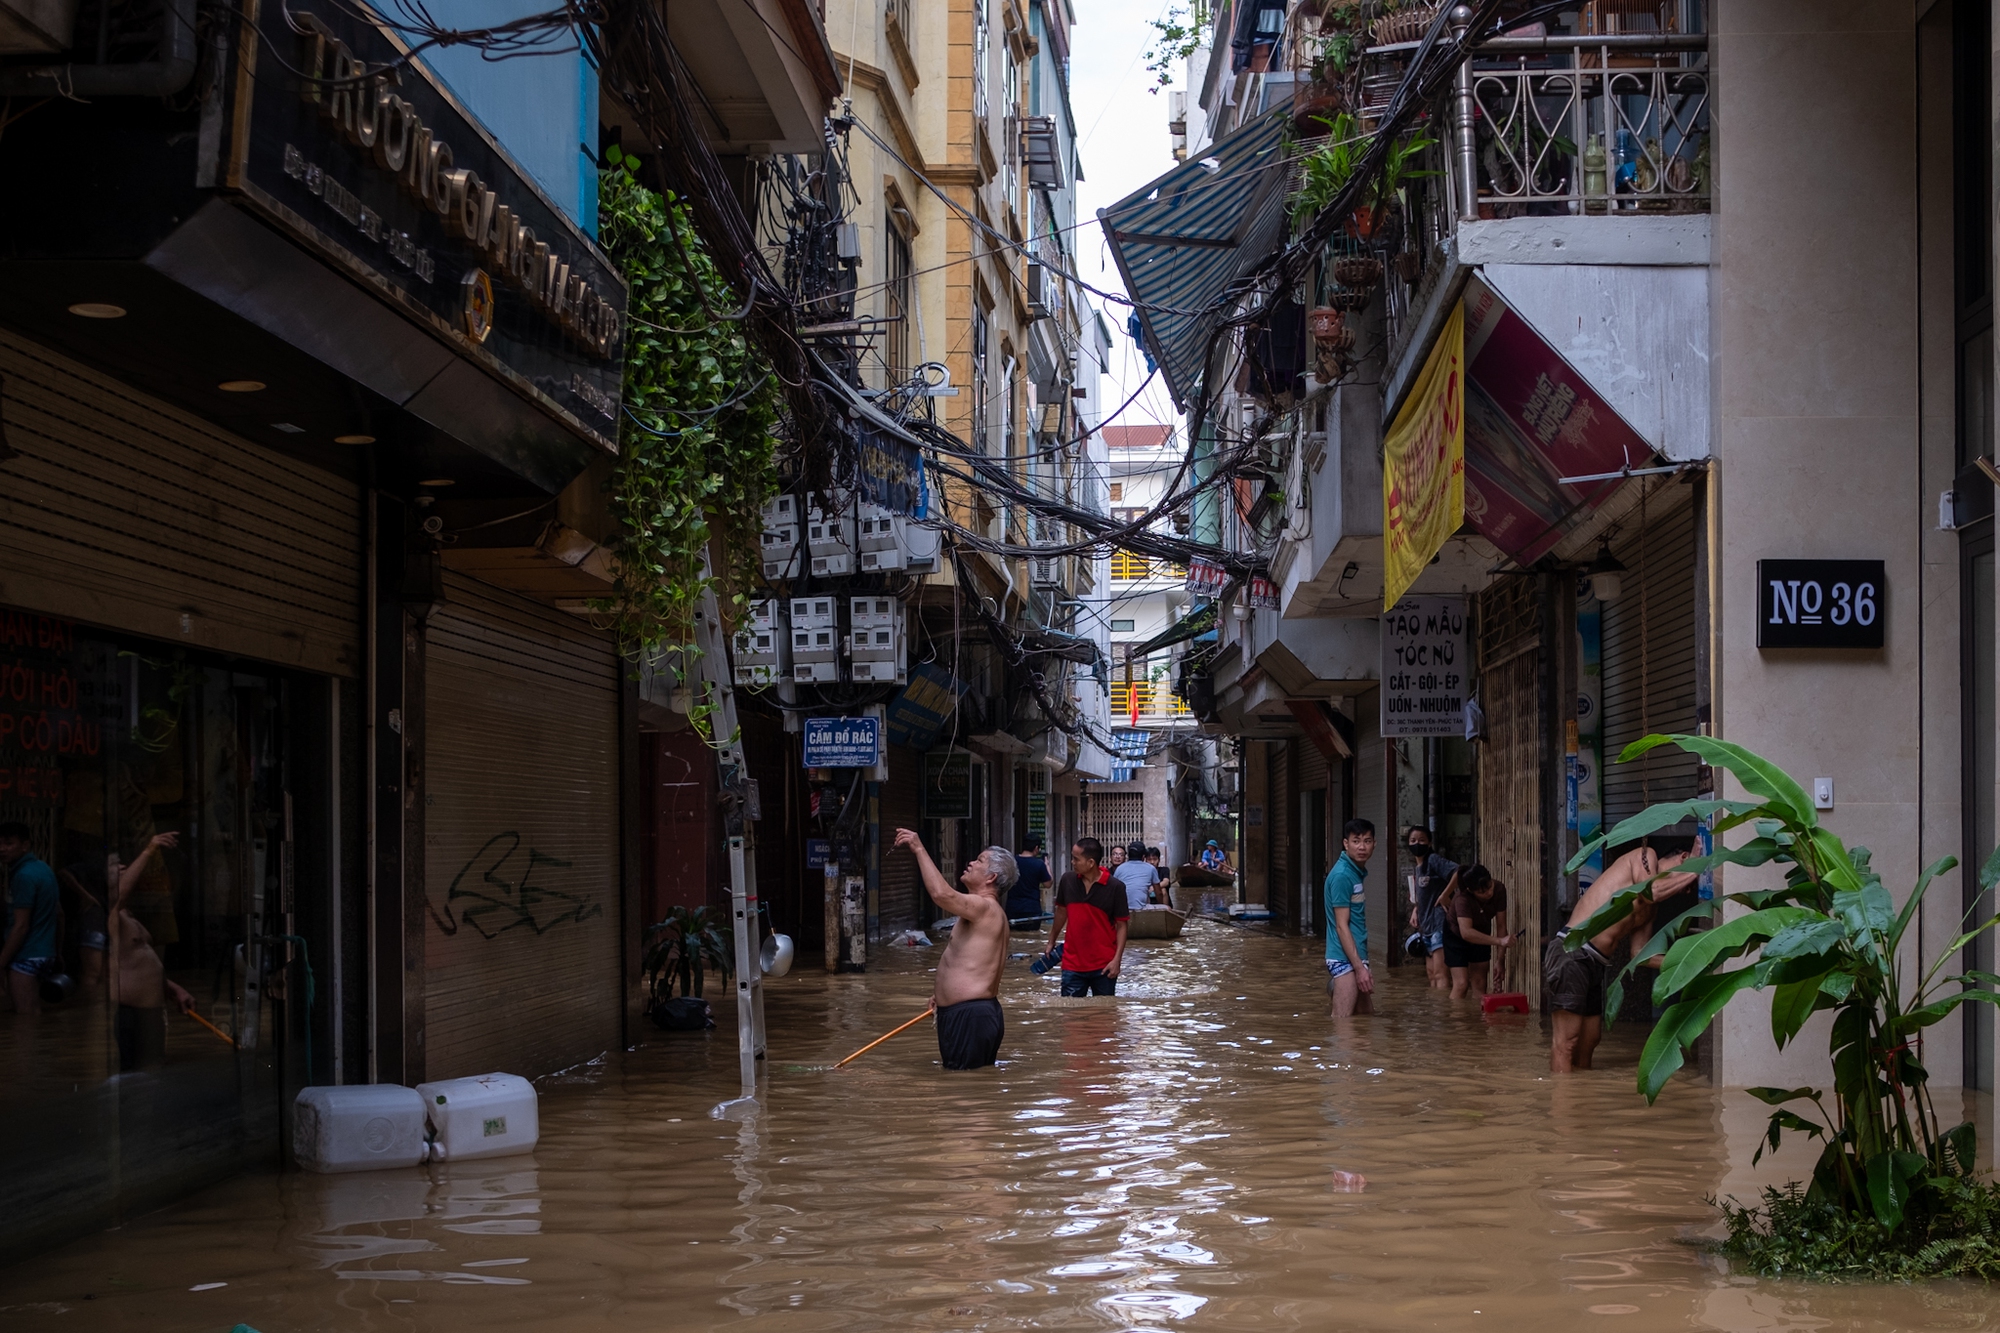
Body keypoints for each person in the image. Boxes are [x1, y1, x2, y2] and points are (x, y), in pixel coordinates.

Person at [1545, 841, 1698, 1072]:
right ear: (1684, 857)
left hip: (1595, 963)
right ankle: (1562, 1103)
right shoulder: (1646, 854)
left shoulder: (1651, 909)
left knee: (1590, 1040)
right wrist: (1696, 870)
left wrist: (1688, 963)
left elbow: (1640, 955)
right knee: (1566, 1043)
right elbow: (1651, 892)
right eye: (1688, 883)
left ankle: (1577, 1100)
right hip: (1572, 952)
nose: (1684, 890)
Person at [894, 829, 1014, 1070]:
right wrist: (943, 995)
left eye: (979, 861)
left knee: (965, 1092)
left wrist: (919, 848)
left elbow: (941, 894)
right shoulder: (983, 911)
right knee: (964, 1086)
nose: (971, 863)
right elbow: (967, 961)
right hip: (966, 1012)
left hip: (970, 1015)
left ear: (991, 877)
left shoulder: (984, 907)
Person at [111, 832, 195, 1071]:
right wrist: (149, 850)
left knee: (155, 1069)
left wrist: (171, 988)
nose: (122, 867)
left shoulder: (126, 914)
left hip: (149, 1014)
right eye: (113, 867)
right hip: (128, 1014)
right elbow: (119, 896)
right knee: (137, 1077)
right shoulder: (106, 914)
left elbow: (137, 962)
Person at [1046, 837, 1129, 996]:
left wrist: (1116, 960)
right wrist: (1051, 941)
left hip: (1104, 965)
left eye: (1076, 859)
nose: (1072, 862)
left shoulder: (1115, 887)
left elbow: (1122, 925)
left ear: (1091, 862)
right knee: (1071, 1014)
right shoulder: (1067, 880)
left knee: (1104, 1014)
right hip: (1072, 964)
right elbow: (1061, 913)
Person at [0, 821, 61, 1016]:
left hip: (27, 955)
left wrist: (1, 963)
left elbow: (21, 926)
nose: (2, 849)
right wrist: (57, 951)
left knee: (25, 1016)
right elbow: (60, 914)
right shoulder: (43, 869)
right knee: (34, 1013)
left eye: (9, 843)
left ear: (25, 845)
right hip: (45, 954)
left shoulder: (23, 877)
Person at [1324, 818, 1375, 1017]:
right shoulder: (1343, 875)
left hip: (1354, 957)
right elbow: (1341, 926)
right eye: (1356, 841)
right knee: (1342, 1023)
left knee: (1365, 1018)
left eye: (1367, 841)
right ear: (1346, 844)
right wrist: (1359, 968)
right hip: (1345, 960)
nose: (1362, 847)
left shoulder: (1355, 872)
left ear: (1374, 843)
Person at [1439, 864, 1510, 1000]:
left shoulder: (1499, 889)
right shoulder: (1462, 899)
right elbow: (1466, 933)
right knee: (1461, 984)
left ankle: (1478, 1019)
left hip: (1481, 931)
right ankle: (1456, 1019)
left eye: (1489, 887)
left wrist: (1500, 960)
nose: (1488, 893)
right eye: (1481, 893)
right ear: (1471, 891)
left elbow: (1501, 926)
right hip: (1456, 935)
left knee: (1479, 983)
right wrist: (1499, 941)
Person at [1403, 826, 1457, 990]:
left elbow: (1459, 871)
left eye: (1421, 840)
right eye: (1413, 840)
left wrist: (1445, 895)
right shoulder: (1418, 868)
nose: (1417, 843)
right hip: (1425, 927)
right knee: (1431, 974)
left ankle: (1443, 1012)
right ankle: (1435, 1011)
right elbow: (1424, 894)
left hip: (1439, 925)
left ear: (1429, 842)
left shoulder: (1433, 860)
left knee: (1440, 974)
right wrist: (1416, 909)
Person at [1009, 838, 1052, 925]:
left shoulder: (1012, 862)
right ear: (1036, 848)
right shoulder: (1039, 864)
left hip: (1012, 908)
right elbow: (1048, 884)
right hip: (1032, 909)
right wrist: (1046, 865)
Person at [1112, 841, 1161, 911]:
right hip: (1141, 908)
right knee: (1167, 908)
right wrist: (1162, 906)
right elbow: (1159, 893)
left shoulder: (1119, 868)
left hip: (1122, 909)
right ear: (1143, 857)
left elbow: (1113, 890)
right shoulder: (1151, 868)